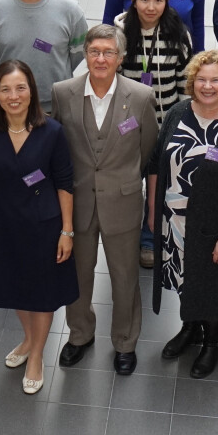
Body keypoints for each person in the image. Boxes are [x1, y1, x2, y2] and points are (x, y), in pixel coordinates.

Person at [0, 61, 75, 393]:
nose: (14, 96)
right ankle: (28, 340)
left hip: (45, 223)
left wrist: (67, 231)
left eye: (20, 88)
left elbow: (65, 183)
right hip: (5, 222)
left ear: (32, 91)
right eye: (6, 89)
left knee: (42, 293)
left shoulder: (51, 131)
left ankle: (37, 354)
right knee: (16, 288)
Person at [53, 26, 158, 375]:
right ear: (85, 53)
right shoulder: (63, 93)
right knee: (77, 276)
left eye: (108, 52)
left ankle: (125, 341)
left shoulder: (141, 97)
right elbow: (58, 151)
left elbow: (146, 154)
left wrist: (125, 181)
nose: (100, 58)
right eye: (94, 51)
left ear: (121, 57)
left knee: (125, 277)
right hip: (78, 204)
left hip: (123, 202)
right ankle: (80, 334)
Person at [150, 50, 218, 379]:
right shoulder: (178, 112)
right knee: (186, 278)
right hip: (175, 222)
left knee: (210, 287)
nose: (207, 86)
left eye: (215, 80)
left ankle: (212, 341)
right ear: (192, 82)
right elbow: (157, 160)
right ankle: (190, 329)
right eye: (201, 79)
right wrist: (153, 212)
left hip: (213, 229)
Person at [116, 0, 193, 123]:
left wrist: (181, 123)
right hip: (129, 123)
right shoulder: (120, 35)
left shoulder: (178, 36)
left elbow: (185, 86)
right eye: (144, 0)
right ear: (134, 2)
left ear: (166, 3)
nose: (151, 7)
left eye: (158, 0)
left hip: (168, 122)